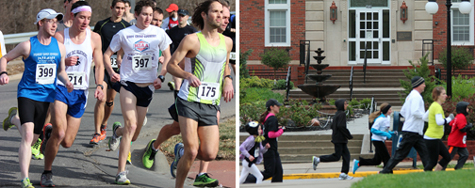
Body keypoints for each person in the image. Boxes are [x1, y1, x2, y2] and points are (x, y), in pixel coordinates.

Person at [142, 3, 232, 185]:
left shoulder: (227, 42)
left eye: (222, 12)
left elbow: (224, 65)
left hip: (210, 102)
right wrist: (187, 75)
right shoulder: (192, 40)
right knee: (192, 151)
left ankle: (180, 153)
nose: (221, 15)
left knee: (209, 154)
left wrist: (228, 79)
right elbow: (171, 65)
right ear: (205, 15)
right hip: (189, 100)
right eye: (215, 11)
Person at [0, 9, 73, 188]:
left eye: (56, 21)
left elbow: (61, 71)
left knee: (32, 139)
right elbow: (5, 58)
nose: (55, 24)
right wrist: (3, 72)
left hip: (46, 97)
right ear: (41, 23)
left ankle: (13, 119)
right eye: (50, 21)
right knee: (26, 137)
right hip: (26, 94)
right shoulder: (28, 45)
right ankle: (25, 179)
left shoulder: (59, 47)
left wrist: (68, 82)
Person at [105, 0, 172, 184]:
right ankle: (121, 172)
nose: (148, 18)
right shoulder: (124, 34)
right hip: (128, 85)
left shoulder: (159, 33)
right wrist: (112, 73)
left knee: (133, 134)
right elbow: (106, 54)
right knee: (132, 126)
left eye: (150, 15)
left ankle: (117, 132)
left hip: (148, 87)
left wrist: (162, 76)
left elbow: (168, 57)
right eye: (144, 14)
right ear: (136, 14)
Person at [41, 2, 105, 186]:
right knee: (60, 133)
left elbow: (99, 65)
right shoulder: (61, 36)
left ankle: (49, 134)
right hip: (61, 88)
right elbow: (50, 60)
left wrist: (99, 85)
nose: (85, 22)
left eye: (88, 18)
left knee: (67, 142)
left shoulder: (94, 38)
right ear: (73, 16)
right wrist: (64, 60)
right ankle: (47, 172)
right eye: (82, 17)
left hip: (80, 93)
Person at [90, 0, 130, 145]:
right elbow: (93, 42)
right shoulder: (101, 25)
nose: (120, 11)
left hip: (118, 68)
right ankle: (96, 132)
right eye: (117, 8)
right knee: (101, 98)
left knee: (109, 101)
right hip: (102, 66)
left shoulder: (127, 26)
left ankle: (104, 124)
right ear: (111, 8)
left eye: (122, 8)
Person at [379, 76, 430, 174]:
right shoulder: (416, 97)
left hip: (414, 130)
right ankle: (386, 170)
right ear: (418, 85)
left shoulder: (410, 96)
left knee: (424, 152)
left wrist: (409, 119)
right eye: (423, 83)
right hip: (412, 130)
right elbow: (415, 112)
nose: (424, 85)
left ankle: (428, 171)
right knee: (401, 154)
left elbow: (403, 111)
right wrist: (424, 116)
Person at [312, 99, 354, 180]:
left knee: (346, 156)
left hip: (338, 138)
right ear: (341, 105)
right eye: (345, 104)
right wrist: (348, 135)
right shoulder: (342, 114)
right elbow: (341, 126)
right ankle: (318, 159)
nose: (347, 105)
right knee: (337, 156)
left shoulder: (337, 114)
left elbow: (332, 126)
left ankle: (343, 174)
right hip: (340, 139)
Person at [353, 103, 395, 174]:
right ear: (385, 110)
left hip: (381, 140)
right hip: (377, 140)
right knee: (387, 158)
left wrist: (392, 133)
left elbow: (385, 129)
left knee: (377, 161)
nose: (391, 111)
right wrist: (386, 134)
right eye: (390, 110)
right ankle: (386, 172)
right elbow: (373, 130)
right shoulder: (379, 119)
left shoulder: (387, 118)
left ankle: (359, 163)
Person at [166, 9, 197, 94]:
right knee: (177, 83)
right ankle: (177, 103)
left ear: (187, 17)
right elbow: (166, 45)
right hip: (176, 59)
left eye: (183, 16)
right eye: (179, 15)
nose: (181, 18)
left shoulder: (192, 31)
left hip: (189, 60)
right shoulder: (172, 31)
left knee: (187, 82)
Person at [423, 86, 454, 171]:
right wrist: (450, 118)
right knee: (432, 162)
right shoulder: (437, 107)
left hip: (434, 137)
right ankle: (424, 176)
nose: (446, 95)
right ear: (438, 96)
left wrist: (432, 120)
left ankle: (436, 173)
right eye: (443, 94)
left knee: (447, 157)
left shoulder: (433, 105)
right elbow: (439, 122)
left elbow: (424, 118)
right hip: (432, 137)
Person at [259, 99, 285, 182]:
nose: (279, 107)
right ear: (271, 107)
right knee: (269, 172)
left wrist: (277, 129)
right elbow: (270, 135)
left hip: (271, 148)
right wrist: (282, 130)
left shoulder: (267, 118)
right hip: (269, 148)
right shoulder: (272, 119)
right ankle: (248, 179)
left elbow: (265, 132)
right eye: (277, 106)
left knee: (278, 172)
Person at [448, 101, 472, 170]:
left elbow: (451, 124)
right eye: (466, 108)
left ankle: (458, 168)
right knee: (448, 156)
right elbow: (462, 129)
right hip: (455, 142)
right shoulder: (461, 116)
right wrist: (469, 126)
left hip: (459, 142)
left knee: (465, 155)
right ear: (462, 108)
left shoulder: (458, 116)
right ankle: (441, 168)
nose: (468, 110)